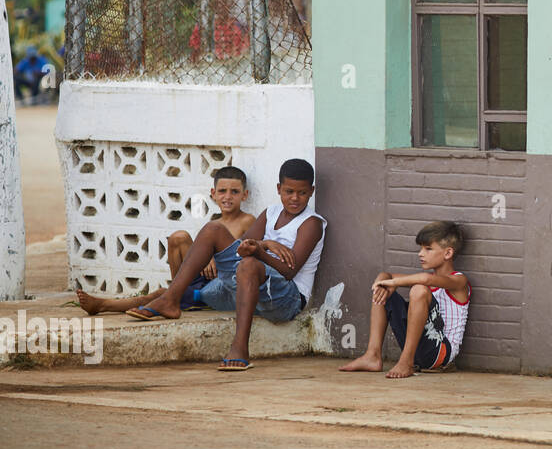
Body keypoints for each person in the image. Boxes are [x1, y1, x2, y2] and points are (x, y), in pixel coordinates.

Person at [126, 158, 326, 373]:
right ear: (278, 189)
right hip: (250, 282)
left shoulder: (312, 223)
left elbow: (289, 271)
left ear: (312, 191)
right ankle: (170, 299)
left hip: (287, 298)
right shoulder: (271, 213)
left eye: (302, 193)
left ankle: (240, 349)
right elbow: (242, 249)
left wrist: (259, 251)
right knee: (214, 230)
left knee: (249, 265)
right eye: (288, 191)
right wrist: (265, 244)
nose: (294, 198)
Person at [75, 165, 256, 317]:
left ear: (244, 195)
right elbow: (203, 251)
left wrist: (215, 259)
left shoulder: (247, 221)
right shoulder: (213, 223)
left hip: (220, 285)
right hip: (201, 279)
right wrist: (209, 257)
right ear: (213, 194)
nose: (228, 196)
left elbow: (244, 254)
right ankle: (178, 291)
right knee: (179, 237)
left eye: (235, 192)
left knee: (157, 295)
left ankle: (104, 305)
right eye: (222, 191)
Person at [339, 220, 470, 379]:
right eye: (420, 248)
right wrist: (381, 283)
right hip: (420, 350)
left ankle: (406, 361)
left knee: (419, 289)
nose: (420, 253)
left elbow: (425, 280)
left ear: (448, 253)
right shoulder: (426, 278)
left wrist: (394, 282)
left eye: (428, 249)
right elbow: (386, 276)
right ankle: (372, 355)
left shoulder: (459, 281)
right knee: (385, 290)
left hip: (440, 353)